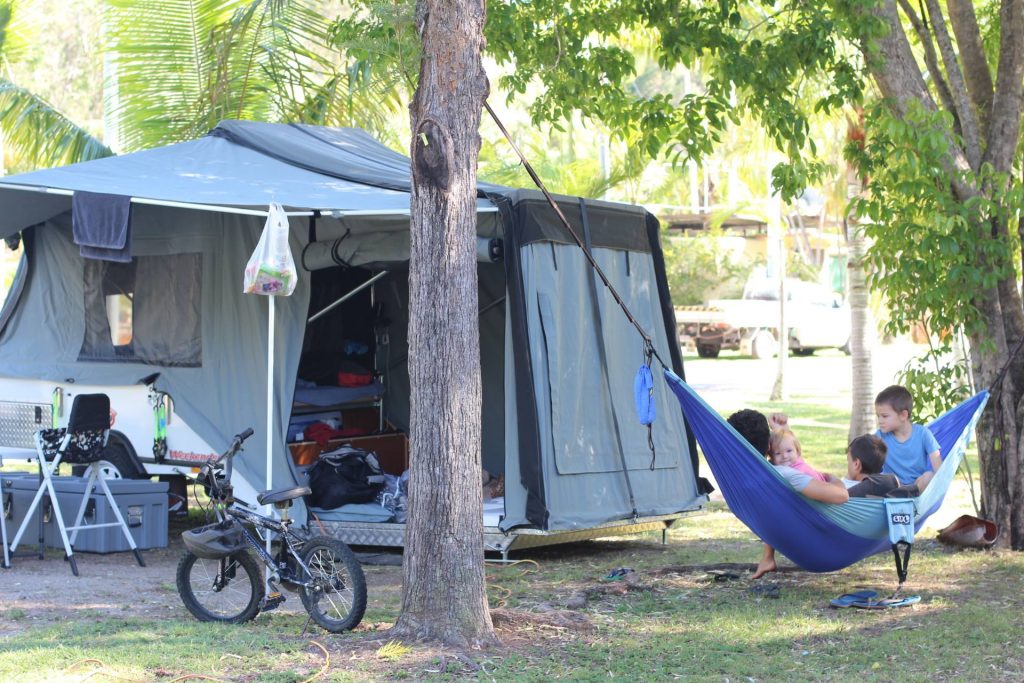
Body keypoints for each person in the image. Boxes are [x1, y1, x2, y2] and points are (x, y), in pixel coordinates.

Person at [728, 409, 849, 579]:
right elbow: (842, 496)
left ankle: (767, 559)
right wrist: (833, 478)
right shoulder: (785, 475)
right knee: (884, 482)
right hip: (838, 516)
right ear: (769, 447)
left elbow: (795, 463)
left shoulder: (744, 473)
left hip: (807, 513)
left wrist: (783, 431)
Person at [874, 385, 941, 491]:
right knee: (880, 479)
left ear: (903, 415)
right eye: (878, 416)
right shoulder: (879, 437)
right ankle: (901, 494)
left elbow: (939, 468)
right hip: (893, 487)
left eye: (885, 416)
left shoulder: (923, 434)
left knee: (929, 476)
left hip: (917, 487)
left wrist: (940, 489)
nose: (880, 420)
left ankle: (909, 494)